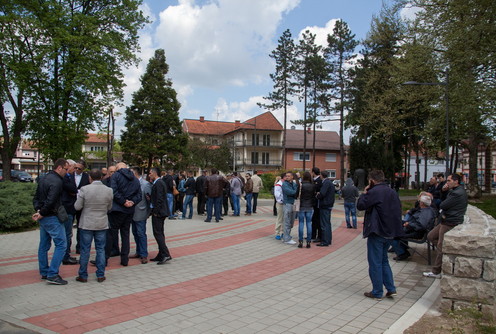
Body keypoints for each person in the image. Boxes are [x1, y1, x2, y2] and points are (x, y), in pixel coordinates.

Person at [357, 170, 404, 300]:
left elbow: (361, 205)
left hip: (377, 231)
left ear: (372, 180)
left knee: (375, 262)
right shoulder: (392, 192)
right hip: (390, 231)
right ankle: (391, 288)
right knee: (384, 261)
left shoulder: (374, 192)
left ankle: (377, 291)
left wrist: (364, 193)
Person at [32, 158, 69, 285]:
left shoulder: (44, 178)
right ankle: (52, 274)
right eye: (66, 169)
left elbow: (36, 198)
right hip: (51, 217)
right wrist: (42, 213)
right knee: (62, 244)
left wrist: (38, 210)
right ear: (59, 167)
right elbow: (51, 200)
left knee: (44, 245)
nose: (67, 172)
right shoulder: (57, 181)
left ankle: (44, 271)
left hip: (44, 216)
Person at [423, 173, 468, 279]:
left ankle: (436, 271)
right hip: (446, 220)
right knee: (431, 236)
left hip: (450, 221)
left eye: (449, 180)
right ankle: (444, 251)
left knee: (440, 245)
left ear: (456, 181)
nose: (447, 183)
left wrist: (443, 207)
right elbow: (444, 200)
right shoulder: (453, 191)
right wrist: (443, 191)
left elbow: (443, 205)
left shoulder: (458, 193)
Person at [74, 169, 113, 283]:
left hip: (87, 223)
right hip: (102, 222)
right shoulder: (109, 190)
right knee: (100, 249)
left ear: (90, 178)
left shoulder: (84, 189)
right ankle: (100, 274)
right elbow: (109, 207)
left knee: (85, 250)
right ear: (101, 177)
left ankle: (83, 275)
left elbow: (77, 207)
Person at [107, 162, 141, 267]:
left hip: (117, 210)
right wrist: (132, 202)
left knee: (111, 235)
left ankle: (104, 258)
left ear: (117, 168)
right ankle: (124, 259)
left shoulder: (115, 176)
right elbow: (139, 195)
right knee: (125, 235)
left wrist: (123, 202)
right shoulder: (135, 178)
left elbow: (113, 191)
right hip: (129, 211)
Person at [391, 194, 437, 261]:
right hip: (415, 228)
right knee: (395, 223)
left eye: (420, 201)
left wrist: (409, 224)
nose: (419, 203)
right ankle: (402, 247)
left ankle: (402, 253)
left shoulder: (425, 213)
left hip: (417, 232)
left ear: (422, 203)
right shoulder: (427, 210)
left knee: (392, 235)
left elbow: (421, 225)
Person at [149, 167, 172, 265]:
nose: (149, 175)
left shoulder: (158, 183)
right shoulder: (159, 183)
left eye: (150, 173)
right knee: (159, 233)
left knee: (158, 233)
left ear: (154, 173)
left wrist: (155, 211)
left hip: (159, 213)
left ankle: (166, 254)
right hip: (160, 211)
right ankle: (161, 253)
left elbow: (159, 198)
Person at [131, 167, 151, 264]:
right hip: (132, 212)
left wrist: (148, 213)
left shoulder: (145, 184)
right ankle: (138, 251)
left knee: (141, 233)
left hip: (141, 212)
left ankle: (143, 254)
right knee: (135, 232)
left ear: (135, 174)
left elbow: (149, 200)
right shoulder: (130, 183)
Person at [60, 159, 78, 265]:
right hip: (66, 208)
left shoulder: (70, 176)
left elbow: (73, 190)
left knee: (68, 233)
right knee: (67, 234)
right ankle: (65, 256)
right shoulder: (65, 177)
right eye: (73, 167)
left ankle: (66, 254)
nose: (75, 170)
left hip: (70, 208)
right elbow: (73, 189)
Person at [73, 160, 90, 255]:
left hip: (82, 205)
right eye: (75, 167)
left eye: (79, 168)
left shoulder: (86, 177)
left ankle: (79, 246)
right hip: (71, 204)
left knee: (81, 226)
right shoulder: (70, 176)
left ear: (83, 169)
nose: (76, 170)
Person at [316, 171, 335, 247]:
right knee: (327, 223)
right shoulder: (329, 182)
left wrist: (318, 195)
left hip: (325, 205)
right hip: (328, 204)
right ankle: (328, 239)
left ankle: (325, 241)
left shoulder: (326, 183)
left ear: (321, 175)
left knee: (324, 224)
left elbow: (322, 193)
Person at [298, 172, 315, 248]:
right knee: (309, 223)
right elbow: (314, 196)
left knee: (301, 223)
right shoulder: (312, 185)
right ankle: (308, 241)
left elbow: (297, 194)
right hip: (310, 205)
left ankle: (300, 241)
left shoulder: (301, 185)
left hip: (301, 205)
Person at [282, 172, 298, 245]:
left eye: (289, 176)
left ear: (292, 177)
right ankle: (286, 238)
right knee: (287, 221)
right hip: (287, 203)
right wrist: (295, 192)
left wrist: (295, 192)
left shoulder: (294, 184)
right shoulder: (284, 184)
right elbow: (290, 192)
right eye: (286, 176)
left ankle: (287, 235)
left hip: (294, 203)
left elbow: (296, 191)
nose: (287, 177)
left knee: (291, 222)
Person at [311, 167, 323, 242]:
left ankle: (319, 236)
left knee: (317, 220)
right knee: (313, 220)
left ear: (313, 172)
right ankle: (313, 235)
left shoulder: (319, 181)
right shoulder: (314, 180)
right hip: (313, 203)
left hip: (317, 203)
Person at [274, 173, 284, 239]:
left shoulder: (287, 184)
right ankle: (277, 232)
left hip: (286, 203)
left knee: (285, 219)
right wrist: (281, 200)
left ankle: (283, 232)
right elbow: (277, 195)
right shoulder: (278, 185)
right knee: (280, 218)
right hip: (281, 203)